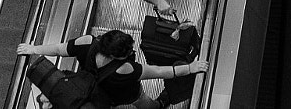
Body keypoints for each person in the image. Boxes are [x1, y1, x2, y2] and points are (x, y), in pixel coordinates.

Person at [15, 28, 207, 109]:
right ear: (115, 56)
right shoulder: (124, 68)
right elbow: (159, 72)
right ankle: (160, 105)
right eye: (129, 51)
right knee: (144, 102)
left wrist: (34, 49)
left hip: (86, 89)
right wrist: (190, 68)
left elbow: (59, 49)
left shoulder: (88, 42)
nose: (132, 52)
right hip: (124, 94)